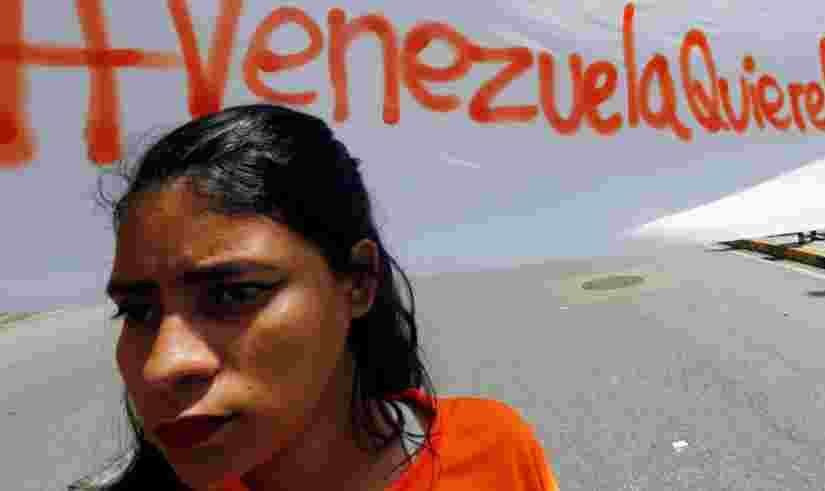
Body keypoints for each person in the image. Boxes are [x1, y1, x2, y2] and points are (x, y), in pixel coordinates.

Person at [87, 104, 560, 491]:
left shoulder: (494, 449)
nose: (160, 365)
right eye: (138, 311)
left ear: (358, 281)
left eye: (234, 294)